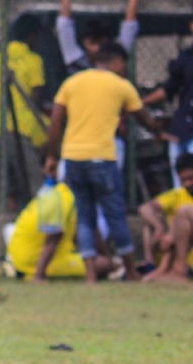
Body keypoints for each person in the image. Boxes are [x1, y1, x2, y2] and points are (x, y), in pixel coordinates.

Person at [44, 42, 158, 283]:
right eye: (123, 65)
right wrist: (159, 130)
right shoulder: (121, 85)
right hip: (102, 158)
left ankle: (91, 275)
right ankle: (131, 272)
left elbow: (55, 122)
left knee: (85, 216)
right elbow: (144, 119)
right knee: (115, 214)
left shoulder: (72, 83)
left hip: (73, 158)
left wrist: (52, 155)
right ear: (116, 62)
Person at [0, 16, 48, 213]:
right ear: (32, 36)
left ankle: (3, 222)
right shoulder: (33, 60)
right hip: (21, 132)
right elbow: (36, 99)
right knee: (34, 184)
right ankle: (38, 225)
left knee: (7, 188)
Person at [6, 180, 94, 280]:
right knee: (99, 263)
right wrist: (39, 275)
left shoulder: (53, 192)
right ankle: (36, 273)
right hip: (32, 261)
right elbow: (53, 237)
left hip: (18, 258)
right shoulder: (66, 200)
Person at [142, 20, 193, 185]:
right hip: (183, 129)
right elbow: (168, 89)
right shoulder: (186, 58)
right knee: (181, 181)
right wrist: (140, 103)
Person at [138, 153, 193, 284]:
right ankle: (152, 266)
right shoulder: (178, 194)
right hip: (171, 250)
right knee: (151, 219)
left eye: (191, 178)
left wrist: (172, 234)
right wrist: (159, 227)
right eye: (183, 180)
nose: (188, 183)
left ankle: (178, 271)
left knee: (183, 212)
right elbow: (144, 208)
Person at [57, 0, 138, 75]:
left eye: (101, 43)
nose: (97, 48)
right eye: (92, 43)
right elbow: (64, 25)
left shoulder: (116, 57)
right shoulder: (75, 59)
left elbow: (129, 27)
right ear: (84, 42)